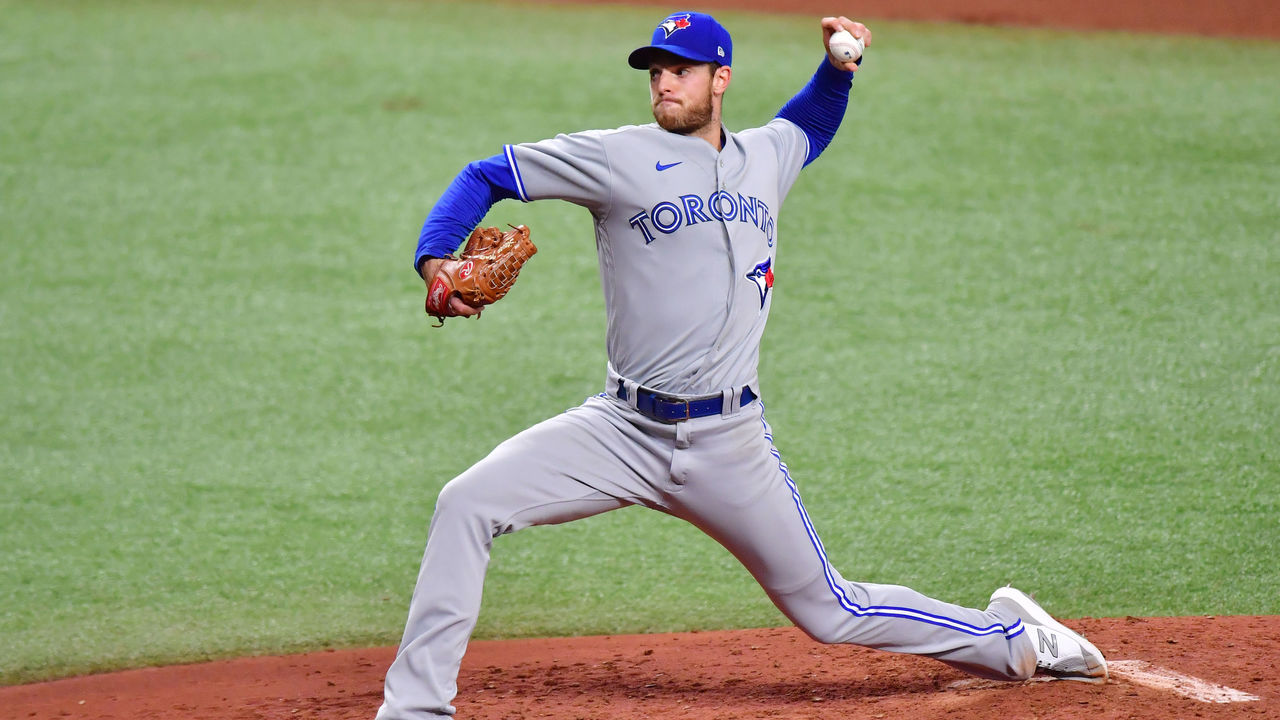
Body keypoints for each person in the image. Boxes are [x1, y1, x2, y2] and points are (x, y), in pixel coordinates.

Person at [378, 11, 1107, 719]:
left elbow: (810, 125)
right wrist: (436, 256)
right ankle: (414, 709)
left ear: (720, 79)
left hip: (730, 443)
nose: (665, 83)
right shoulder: (615, 156)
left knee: (830, 611)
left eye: (682, 71)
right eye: (656, 71)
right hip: (621, 431)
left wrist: (837, 68)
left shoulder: (765, 156)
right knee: (465, 503)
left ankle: (1014, 637)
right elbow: (487, 174)